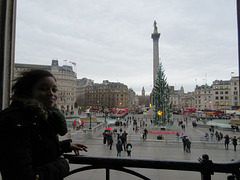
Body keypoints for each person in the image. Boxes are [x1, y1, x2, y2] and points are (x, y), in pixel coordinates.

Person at [0, 69, 88, 180]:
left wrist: (65, 146)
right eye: (43, 89)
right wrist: (62, 165)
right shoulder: (16, 121)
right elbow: (23, 176)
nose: (51, 93)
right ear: (27, 91)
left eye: (54, 89)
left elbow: (35, 148)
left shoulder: (38, 116)